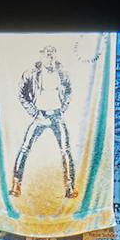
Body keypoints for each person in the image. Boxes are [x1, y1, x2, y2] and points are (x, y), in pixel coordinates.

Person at [10, 44, 75, 200]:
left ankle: (70, 187)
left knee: (65, 150)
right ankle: (16, 185)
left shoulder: (63, 73)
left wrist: (63, 108)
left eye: (52, 54)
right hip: (39, 116)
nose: (50, 57)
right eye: (47, 54)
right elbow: (21, 94)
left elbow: (68, 91)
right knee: (25, 148)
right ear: (41, 55)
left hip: (57, 115)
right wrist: (34, 112)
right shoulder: (31, 73)